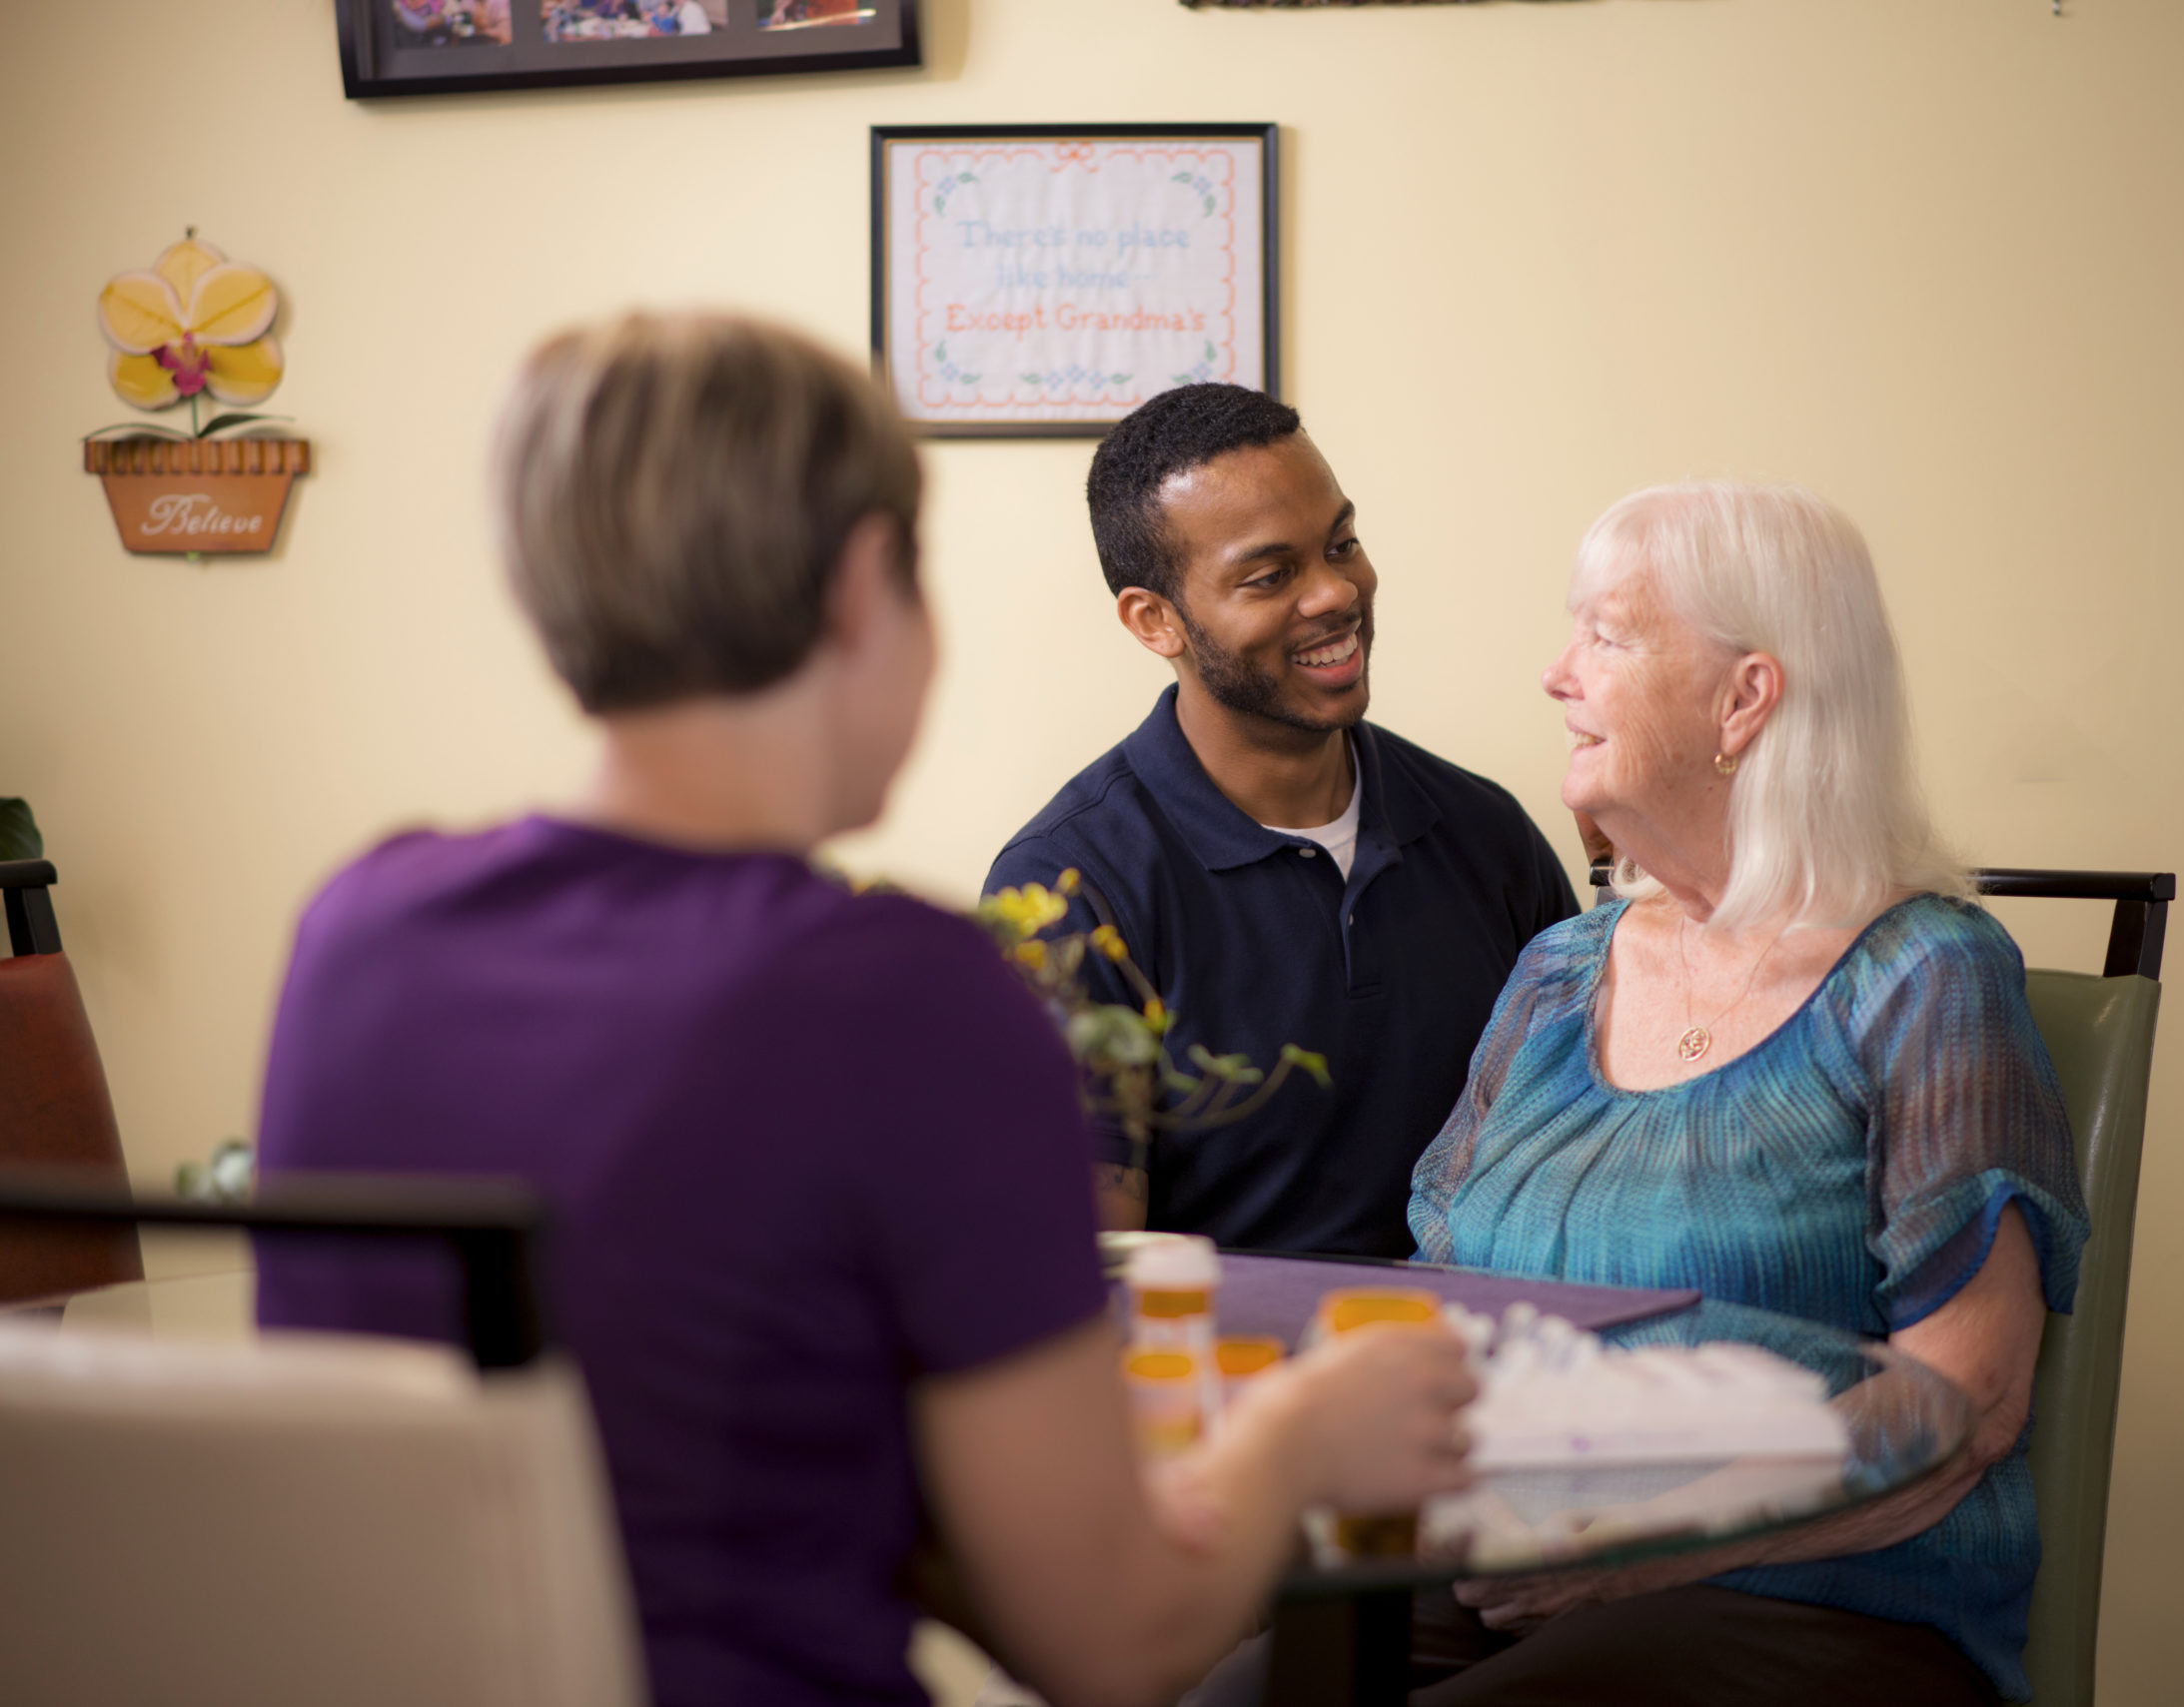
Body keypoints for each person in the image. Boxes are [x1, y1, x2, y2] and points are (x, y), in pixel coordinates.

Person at [255, 314, 1476, 1707]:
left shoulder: (357, 931)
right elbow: (1113, 1639)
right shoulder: (912, 994)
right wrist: (1302, 1435)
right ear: (860, 588)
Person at [1404, 482, 2091, 1706]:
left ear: (1744, 698)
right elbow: (1439, 1298)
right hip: (1525, 1561)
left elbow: (1965, 1401)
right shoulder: (1559, 969)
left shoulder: (1926, 974)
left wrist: (1653, 1538)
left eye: (1605, 636)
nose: (1556, 675)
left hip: (1825, 1602)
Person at [986, 385, 1580, 1258]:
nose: (1337, 592)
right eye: (1271, 576)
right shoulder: (1070, 891)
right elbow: (1078, 1279)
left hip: (1497, 1364)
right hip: (1228, 1380)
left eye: (1342, 543)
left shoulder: (1487, 834)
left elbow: (1579, 1161)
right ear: (1155, 621)